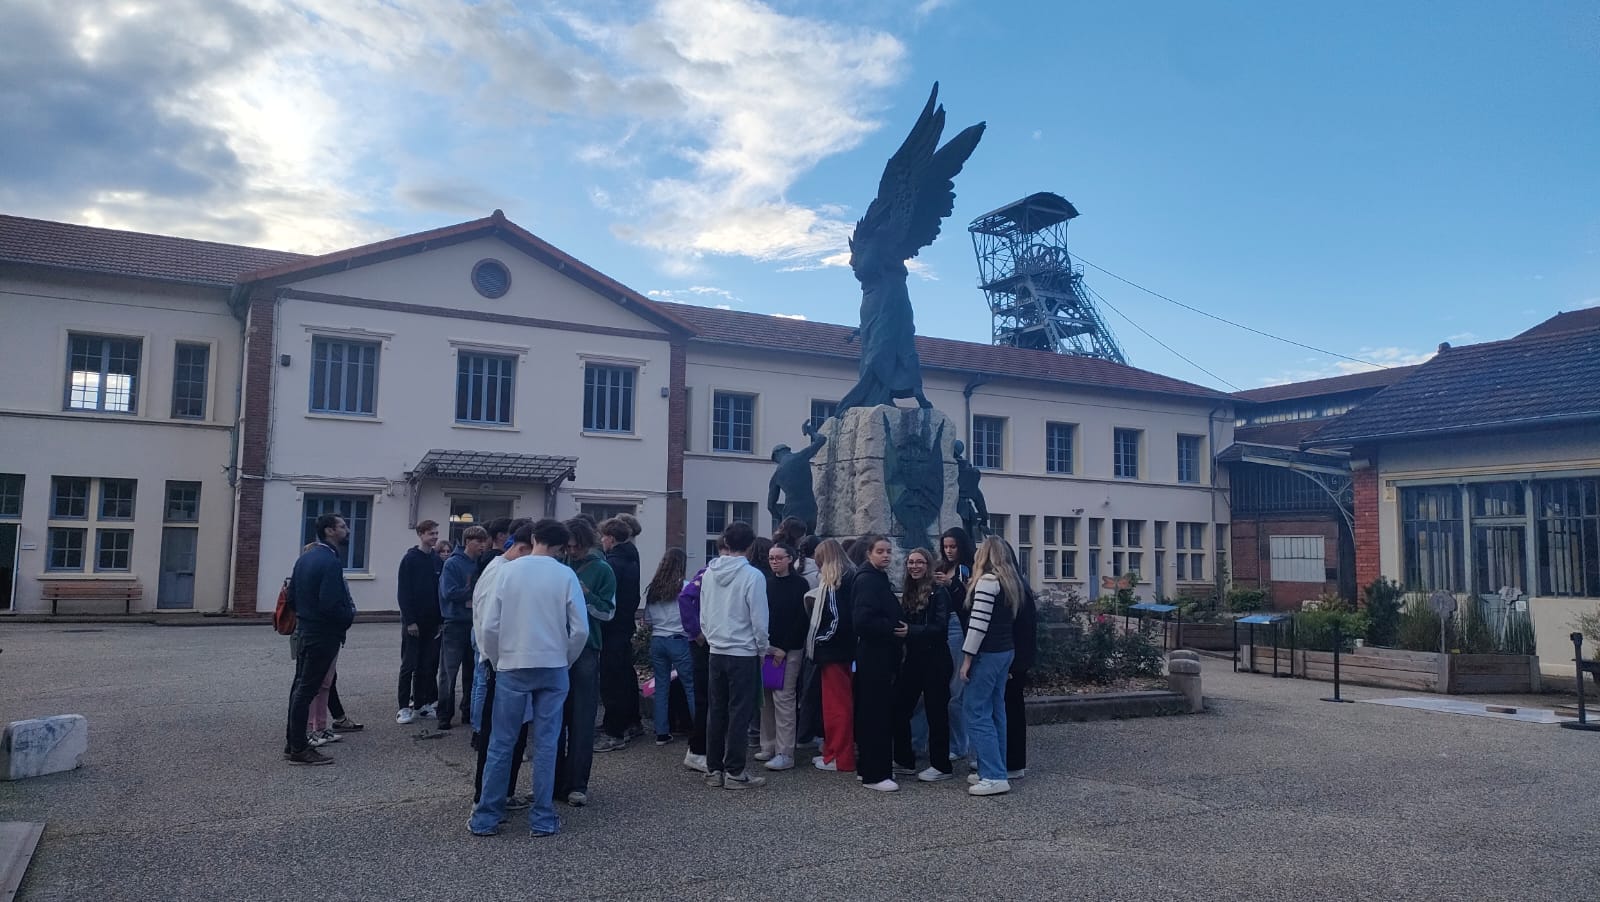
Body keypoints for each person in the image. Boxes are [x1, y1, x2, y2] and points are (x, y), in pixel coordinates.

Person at [468, 519, 590, 838]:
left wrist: (497, 659)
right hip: (552, 665)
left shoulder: (508, 572)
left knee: (502, 742)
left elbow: (489, 625)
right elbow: (580, 630)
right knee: (548, 744)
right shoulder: (566, 575)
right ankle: (543, 817)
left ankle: (487, 816)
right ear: (563, 547)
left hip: (512, 665)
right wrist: (564, 660)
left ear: (533, 538)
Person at [700, 521, 770, 790]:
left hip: (716, 649)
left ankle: (714, 769)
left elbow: (704, 613)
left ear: (726, 543)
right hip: (743, 651)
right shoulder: (753, 576)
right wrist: (761, 648)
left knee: (716, 710)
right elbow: (759, 619)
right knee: (740, 712)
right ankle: (735, 771)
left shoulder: (708, 573)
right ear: (750, 545)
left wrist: (712, 637)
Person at [284, 514, 356, 765]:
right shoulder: (330, 561)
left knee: (300, 687)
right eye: (342, 527)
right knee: (307, 689)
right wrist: (348, 617)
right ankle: (299, 749)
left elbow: (291, 597)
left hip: (306, 629)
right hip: (322, 633)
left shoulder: (304, 558)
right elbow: (331, 602)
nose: (347, 530)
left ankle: (293, 742)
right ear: (329, 531)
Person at [554, 517, 614, 807]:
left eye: (575, 547)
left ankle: (577, 784)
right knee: (553, 718)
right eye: (568, 547)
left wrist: (583, 595)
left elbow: (608, 612)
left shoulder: (602, 570)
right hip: (555, 647)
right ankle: (553, 783)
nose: (571, 551)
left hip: (587, 649)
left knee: (581, 718)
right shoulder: (558, 564)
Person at [960, 536, 1021, 797]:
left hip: (988, 652)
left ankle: (993, 775)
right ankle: (995, 767)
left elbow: (978, 625)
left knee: (975, 710)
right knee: (996, 710)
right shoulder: (1010, 582)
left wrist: (967, 659)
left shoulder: (986, 582)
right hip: (1005, 651)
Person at [893, 548, 953, 782]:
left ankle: (941, 765)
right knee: (899, 708)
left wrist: (912, 632)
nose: (914, 566)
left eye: (919, 562)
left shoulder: (939, 593)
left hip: (935, 658)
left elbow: (940, 628)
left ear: (928, 565)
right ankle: (904, 759)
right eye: (910, 562)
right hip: (914, 659)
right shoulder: (909, 590)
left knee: (936, 713)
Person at [851, 535, 904, 792]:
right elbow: (862, 620)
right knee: (875, 713)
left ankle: (870, 768)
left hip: (878, 653)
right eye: (880, 551)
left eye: (888, 551)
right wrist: (892, 627)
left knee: (874, 712)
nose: (886, 555)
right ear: (869, 553)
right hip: (874, 654)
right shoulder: (868, 580)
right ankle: (875, 772)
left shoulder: (875, 578)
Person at [805, 538, 854, 773]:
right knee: (839, 705)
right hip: (844, 651)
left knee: (836, 707)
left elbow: (836, 619)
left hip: (833, 651)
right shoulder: (850, 577)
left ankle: (839, 756)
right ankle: (834, 752)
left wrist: (820, 640)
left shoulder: (833, 582)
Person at [757, 542, 807, 771]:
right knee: (766, 697)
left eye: (778, 557)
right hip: (768, 647)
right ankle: (768, 744)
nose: (774, 561)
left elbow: (801, 619)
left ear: (790, 559)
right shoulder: (766, 584)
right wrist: (767, 645)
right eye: (771, 558)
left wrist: (784, 648)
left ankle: (785, 751)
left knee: (783, 698)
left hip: (789, 649)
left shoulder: (800, 584)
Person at [595, 517, 644, 752]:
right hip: (625, 625)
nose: (602, 541)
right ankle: (631, 722)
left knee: (612, 679)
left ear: (611, 539)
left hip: (612, 627)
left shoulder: (613, 563)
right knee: (626, 675)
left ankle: (615, 731)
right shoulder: (631, 556)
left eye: (603, 537)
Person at [437, 525, 488, 731]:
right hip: (455, 623)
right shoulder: (452, 564)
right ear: (468, 542)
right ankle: (444, 714)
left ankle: (467, 710)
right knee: (449, 671)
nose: (482, 546)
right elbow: (449, 592)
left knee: (472, 671)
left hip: (474, 623)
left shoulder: (480, 563)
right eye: (478, 542)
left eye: (484, 541)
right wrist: (472, 593)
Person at [643, 548, 693, 745]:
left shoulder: (654, 589)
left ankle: (661, 732)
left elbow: (647, 619)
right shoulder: (686, 588)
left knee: (661, 687)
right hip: (679, 639)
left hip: (658, 640)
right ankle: (700, 730)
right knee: (691, 686)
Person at [396, 519, 443, 725]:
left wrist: (441, 620)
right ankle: (403, 707)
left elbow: (439, 592)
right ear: (421, 534)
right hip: (414, 623)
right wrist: (410, 621)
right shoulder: (410, 559)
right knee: (409, 665)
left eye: (436, 533)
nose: (434, 537)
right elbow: (404, 592)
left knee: (426, 665)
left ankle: (422, 704)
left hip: (432, 622)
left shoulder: (436, 560)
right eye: (431, 533)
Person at [937, 526, 976, 763]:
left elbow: (967, 602)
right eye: (946, 547)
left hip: (958, 628)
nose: (949, 551)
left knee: (956, 691)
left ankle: (961, 743)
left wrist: (951, 585)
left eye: (953, 546)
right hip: (941, 628)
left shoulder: (966, 570)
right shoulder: (942, 567)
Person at [1004, 544, 1038, 781]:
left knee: (1011, 711)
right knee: (1011, 710)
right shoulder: (1019, 586)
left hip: (1013, 661)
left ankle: (1013, 763)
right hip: (1018, 659)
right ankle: (1012, 762)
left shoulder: (1014, 589)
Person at [676, 560, 711, 774]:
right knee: (704, 698)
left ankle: (704, 749)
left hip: (708, 641)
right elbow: (685, 598)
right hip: (703, 643)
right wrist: (696, 632)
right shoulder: (706, 574)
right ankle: (697, 750)